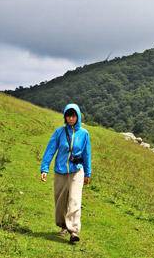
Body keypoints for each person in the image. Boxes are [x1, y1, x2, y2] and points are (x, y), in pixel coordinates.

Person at [40, 103, 91, 243]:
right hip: (60, 171)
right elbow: (50, 150)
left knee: (74, 200)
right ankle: (63, 225)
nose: (71, 119)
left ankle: (73, 232)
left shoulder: (84, 134)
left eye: (73, 116)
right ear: (65, 117)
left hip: (76, 171)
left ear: (78, 117)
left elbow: (87, 154)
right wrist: (44, 168)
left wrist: (87, 173)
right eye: (68, 116)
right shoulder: (59, 132)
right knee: (60, 201)